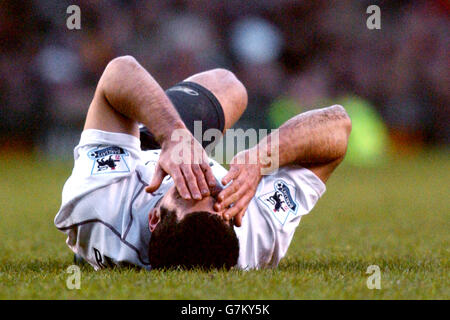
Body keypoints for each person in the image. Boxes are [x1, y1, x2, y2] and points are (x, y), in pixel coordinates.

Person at [55, 56, 351, 270]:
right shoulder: (255, 235)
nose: (208, 179)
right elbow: (339, 126)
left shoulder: (98, 204)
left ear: (155, 217)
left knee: (223, 87)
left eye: (189, 190)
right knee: (230, 86)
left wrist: (171, 136)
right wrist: (260, 159)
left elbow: (118, 72)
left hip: (136, 163)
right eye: (221, 200)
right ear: (234, 219)